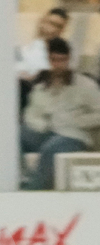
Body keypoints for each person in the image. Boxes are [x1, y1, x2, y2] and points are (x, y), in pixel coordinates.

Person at [21, 37, 100, 190]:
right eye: (54, 60)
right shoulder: (41, 88)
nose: (58, 65)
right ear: (48, 60)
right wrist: (43, 124)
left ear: (68, 60)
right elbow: (30, 115)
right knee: (13, 135)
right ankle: (22, 178)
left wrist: (79, 120)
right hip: (46, 132)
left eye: (62, 60)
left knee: (51, 148)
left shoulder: (85, 85)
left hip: (74, 136)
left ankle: (33, 190)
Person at [17, 8, 70, 110]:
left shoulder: (64, 51)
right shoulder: (25, 47)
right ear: (42, 22)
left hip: (47, 95)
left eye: (58, 26)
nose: (53, 29)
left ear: (62, 30)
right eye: (51, 23)